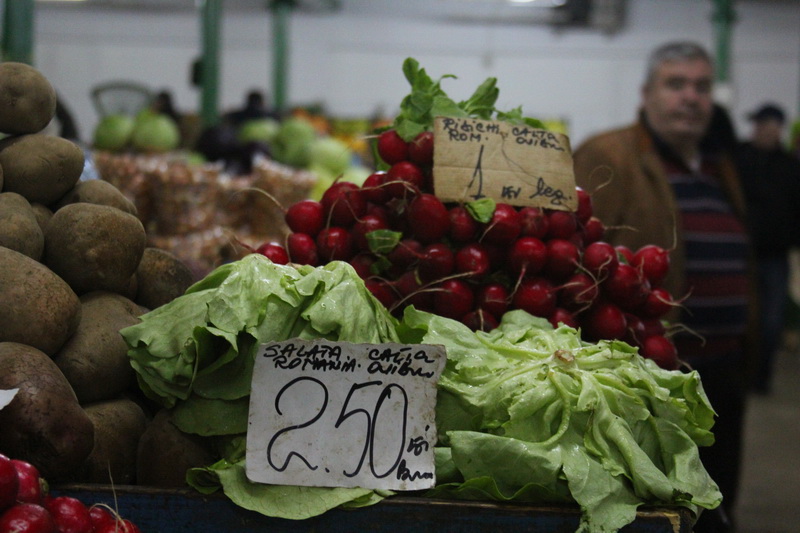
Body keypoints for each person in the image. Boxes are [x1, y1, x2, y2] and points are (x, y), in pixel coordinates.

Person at [572, 41, 754, 532]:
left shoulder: (718, 165)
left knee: (714, 503)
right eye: (676, 85)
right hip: (649, 380)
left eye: (700, 86)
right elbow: (574, 262)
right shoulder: (607, 154)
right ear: (646, 93)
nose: (691, 97)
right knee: (655, 508)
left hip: (721, 374)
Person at [735, 103, 800, 394]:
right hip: (742, 257)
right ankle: (743, 376)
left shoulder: (789, 167)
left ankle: (760, 379)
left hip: (776, 257)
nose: (763, 131)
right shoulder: (739, 160)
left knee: (771, 323)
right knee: (743, 320)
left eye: (769, 126)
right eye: (760, 126)